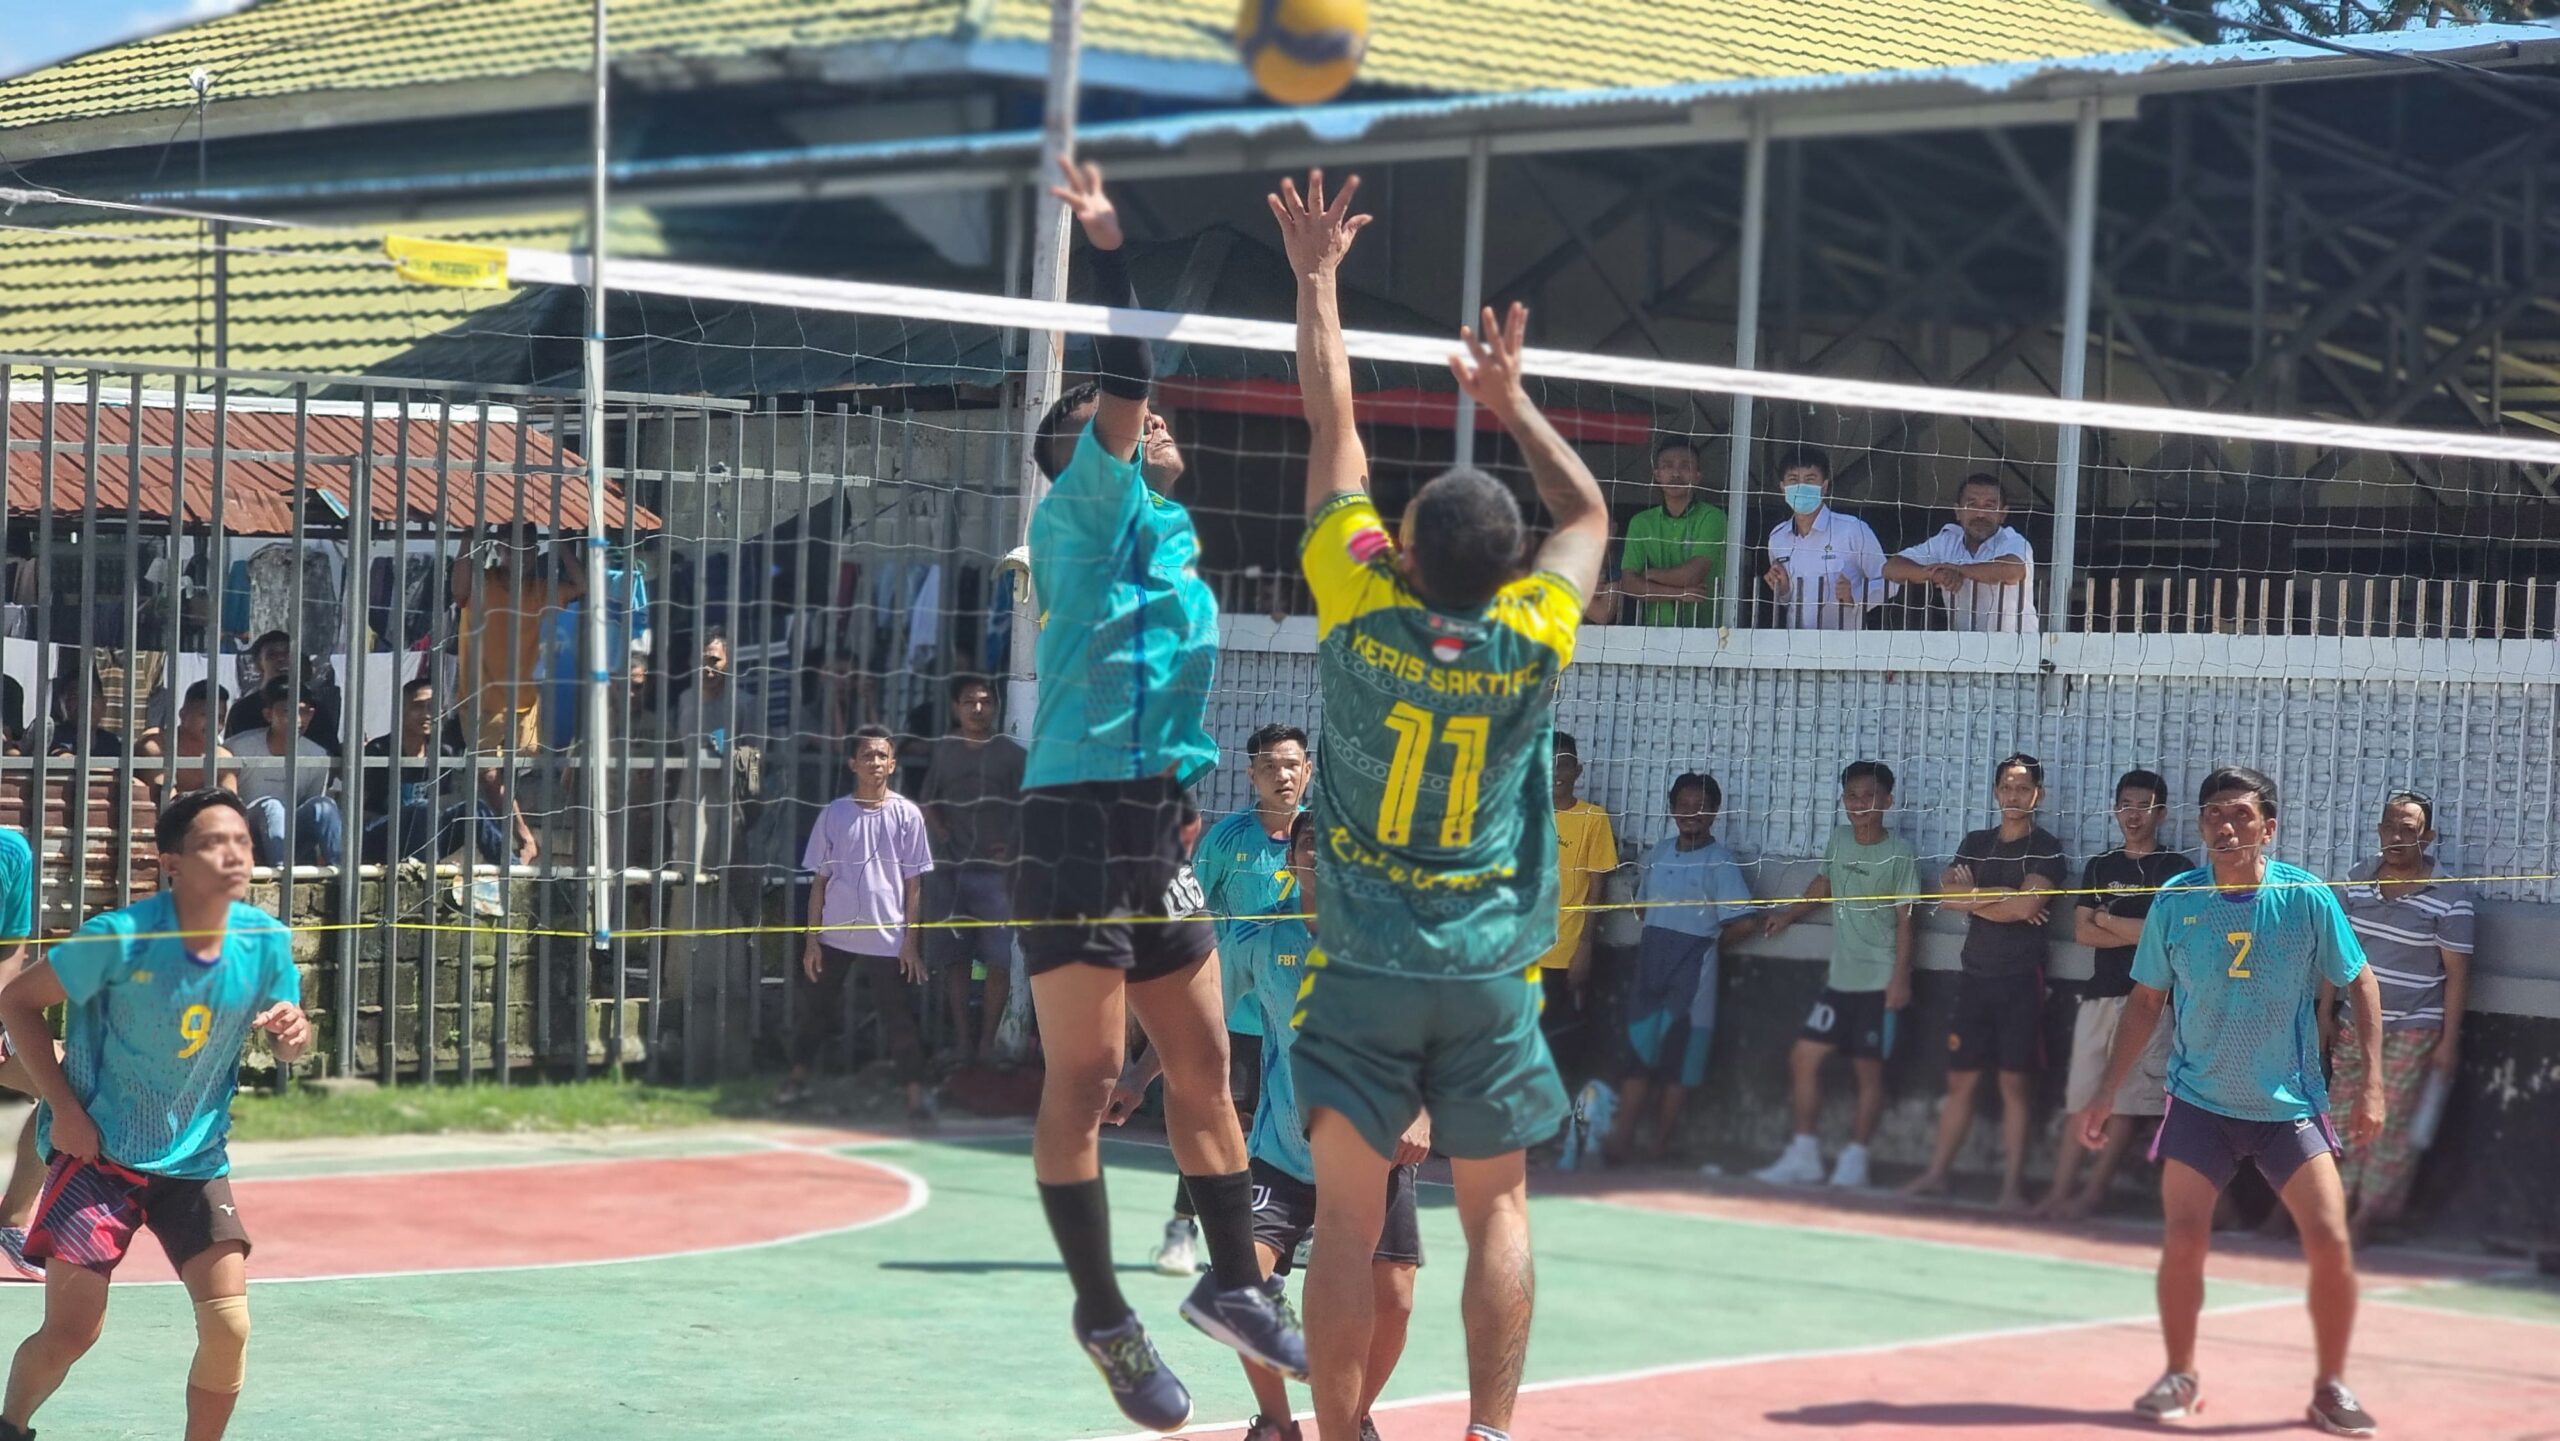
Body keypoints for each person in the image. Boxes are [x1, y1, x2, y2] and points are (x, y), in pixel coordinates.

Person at [1277, 167, 1610, 1441]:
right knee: (1498, 1212)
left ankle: (1341, 1431)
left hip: (1362, 959)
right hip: (1484, 965)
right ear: (1506, 566)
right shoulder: (1533, 630)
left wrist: (1318, 281)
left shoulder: (1358, 607)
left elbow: (1333, 431)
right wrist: (1511, 400)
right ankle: (1487, 1433)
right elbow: (1585, 510)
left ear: (1403, 553)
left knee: (1349, 1223)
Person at [1015, 156, 1301, 1433]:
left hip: (1155, 818)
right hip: (1074, 812)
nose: (1159, 428)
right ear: (1089, 443)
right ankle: (1102, 1315)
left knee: (1202, 1069)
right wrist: (1111, 248)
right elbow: (1128, 373)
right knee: (1084, 1078)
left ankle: (1234, 1284)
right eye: (1136, 422)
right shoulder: (1088, 505)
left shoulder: (1173, 541)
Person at [2074, 766, 2383, 1437]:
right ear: (2202, 824)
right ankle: (2180, 1371)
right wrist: (2105, 1091)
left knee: (2330, 1241)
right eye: (2214, 813)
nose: (2227, 824)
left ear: (2268, 827)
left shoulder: (2305, 897)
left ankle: (2332, 1386)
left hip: (2287, 1103)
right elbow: (2146, 1001)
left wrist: (2373, 1082)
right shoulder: (2178, 900)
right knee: (2183, 1238)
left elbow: (2360, 981)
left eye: (2242, 814)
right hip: (2200, 1100)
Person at [0, 788, 313, 1441]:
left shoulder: (265, 941)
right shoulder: (118, 939)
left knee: (229, 1323)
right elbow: (19, 1004)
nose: (232, 854)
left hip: (193, 1163)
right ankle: (11, 1424)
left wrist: (291, 1031)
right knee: (70, 1331)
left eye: (242, 841)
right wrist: (65, 1109)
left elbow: (289, 1034)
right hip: (96, 1158)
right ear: (172, 862)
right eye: (211, 842)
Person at [1111, 813, 1426, 1441]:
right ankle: (1277, 1423)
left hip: (1371, 1151)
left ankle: (1353, 1416)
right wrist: (1138, 1078)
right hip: (1283, 1148)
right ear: (1293, 860)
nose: (1324, 854)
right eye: (1311, 843)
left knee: (1393, 1301)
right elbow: (1202, 1018)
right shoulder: (1261, 935)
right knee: (1242, 1288)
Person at [1149, 722, 1309, 1278]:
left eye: (1291, 765)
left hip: (1299, 1020)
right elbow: (1181, 901)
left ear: (1308, 770)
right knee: (1221, 1116)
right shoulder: (1228, 839)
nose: (1281, 776)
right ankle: (1182, 1225)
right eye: (1269, 766)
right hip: (1237, 1006)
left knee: (1298, 1125)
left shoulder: (1326, 839)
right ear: (1251, 775)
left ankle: (1295, 1226)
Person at [1902, 752, 2065, 1210]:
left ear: (2038, 794)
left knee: (2015, 1086)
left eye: (2023, 787)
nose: (2014, 795)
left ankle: (2012, 1187)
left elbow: (2027, 909)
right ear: (1996, 792)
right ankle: (1936, 1174)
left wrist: (1981, 898)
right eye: (2007, 787)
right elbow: (1946, 900)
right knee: (1961, 1082)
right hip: (1973, 976)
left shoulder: (2046, 847)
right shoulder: (1976, 840)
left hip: (2020, 981)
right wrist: (2004, 901)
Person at [1754, 760, 1919, 1189]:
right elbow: (1822, 885)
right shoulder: (1839, 839)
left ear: (1887, 800)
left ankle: (1855, 1158)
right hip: (1840, 979)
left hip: (1879, 981)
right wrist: (1789, 914)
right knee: (1803, 1058)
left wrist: (1900, 980)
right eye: (1852, 796)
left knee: (1868, 1073)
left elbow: (1907, 921)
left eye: (1869, 796)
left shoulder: (1900, 853)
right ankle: (1805, 1153)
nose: (1859, 805)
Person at [2039, 768, 2190, 1220]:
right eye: (2126, 804)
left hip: (2150, 1001)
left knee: (2126, 1103)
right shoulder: (2100, 865)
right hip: (2099, 995)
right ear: (2115, 808)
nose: (2133, 814)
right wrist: (2125, 930)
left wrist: (2107, 920)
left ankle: (2092, 1195)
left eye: (2144, 806)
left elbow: (2164, 938)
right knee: (2080, 1098)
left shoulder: (2175, 871)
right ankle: (2060, 1191)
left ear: (2160, 813)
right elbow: (2081, 934)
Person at [2330, 789, 2472, 1244]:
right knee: (2340, 1116)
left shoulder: (2450, 899)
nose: (2396, 837)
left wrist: (2450, 1042)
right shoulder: (2356, 880)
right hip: (2354, 1023)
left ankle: (2368, 1216)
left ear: (2427, 838)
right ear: (2378, 831)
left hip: (2413, 1026)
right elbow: (2335, 955)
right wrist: (2323, 1015)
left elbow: (2457, 976)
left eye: (2407, 830)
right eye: (2389, 827)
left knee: (2390, 1123)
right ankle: (2333, 1206)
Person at [775, 726, 935, 1125]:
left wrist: (911, 943)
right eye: (868, 756)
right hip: (835, 933)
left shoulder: (908, 815)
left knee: (899, 1017)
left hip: (887, 935)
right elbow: (819, 882)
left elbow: (914, 884)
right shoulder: (835, 813)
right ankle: (796, 1081)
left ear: (893, 763)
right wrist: (811, 941)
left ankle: (915, 1097)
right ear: (853, 764)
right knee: (815, 1011)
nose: (875, 763)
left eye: (882, 756)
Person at [1604, 771, 1759, 1167]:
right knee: (1640, 1053)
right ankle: (1620, 1141)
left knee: (1679, 1062)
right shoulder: (1657, 854)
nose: (1692, 813)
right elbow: (1641, 907)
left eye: (1701, 807)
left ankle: (1660, 1146)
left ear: (1715, 813)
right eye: (1684, 806)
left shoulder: (1720, 862)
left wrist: (1704, 948)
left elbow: (1743, 922)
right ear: (1672, 809)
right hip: (1650, 971)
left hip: (1693, 981)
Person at [451, 524, 581, 868]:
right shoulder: (485, 582)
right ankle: (523, 836)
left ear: (535, 552)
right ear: (501, 550)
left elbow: (583, 587)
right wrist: (467, 537)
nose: (518, 555)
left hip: (525, 700)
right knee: (488, 772)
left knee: (512, 772)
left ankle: (512, 840)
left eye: (526, 548)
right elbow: (458, 590)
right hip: (480, 696)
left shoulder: (541, 590)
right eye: (511, 548)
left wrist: (564, 545)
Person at [919, 673, 1028, 1072]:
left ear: (995, 706)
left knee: (999, 959)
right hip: (951, 872)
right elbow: (928, 800)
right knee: (955, 958)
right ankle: (963, 1042)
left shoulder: (1011, 756)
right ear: (956, 708)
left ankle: (986, 1044)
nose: (978, 708)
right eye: (969, 701)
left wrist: (1014, 845)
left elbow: (1033, 804)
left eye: (985, 701)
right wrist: (942, 829)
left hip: (998, 875)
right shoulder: (946, 750)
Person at [1532, 732, 1618, 1079]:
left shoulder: (1592, 819)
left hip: (1562, 951)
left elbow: (1597, 888)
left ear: (1577, 770)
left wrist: (1585, 946)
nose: (1555, 772)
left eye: (1563, 763)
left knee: (1558, 1045)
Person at [360, 677, 508, 869]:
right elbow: (361, 812)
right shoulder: (378, 750)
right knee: (422, 809)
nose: (426, 714)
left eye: (432, 707)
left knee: (475, 809)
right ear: (401, 710)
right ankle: (423, 879)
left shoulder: (443, 752)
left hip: (429, 835)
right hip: (385, 836)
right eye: (418, 706)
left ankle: (512, 872)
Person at [0, 827, 55, 1282]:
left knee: (67, 1081)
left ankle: (13, 1221)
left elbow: (10, 948)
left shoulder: (11, 852)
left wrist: (3, 1019)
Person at [1881, 473, 2038, 632]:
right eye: (1972, 505)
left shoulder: (2013, 541)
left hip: (2015, 648)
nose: (1980, 514)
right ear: (1957, 512)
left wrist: (1959, 570)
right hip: (1963, 647)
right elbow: (1891, 568)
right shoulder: (1947, 541)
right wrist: (1937, 575)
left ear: (2003, 514)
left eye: (1989, 506)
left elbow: (2012, 571)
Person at [1761, 449, 1890, 631]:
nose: (1801, 486)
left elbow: (1890, 581)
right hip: (1795, 645)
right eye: (1793, 480)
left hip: (1844, 646)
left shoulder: (1852, 529)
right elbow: (1788, 599)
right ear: (1782, 487)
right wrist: (1782, 590)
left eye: (1810, 479)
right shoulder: (1778, 537)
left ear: (1824, 486)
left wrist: (1856, 595)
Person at [228, 677, 344, 869]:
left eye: (304, 712)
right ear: (268, 714)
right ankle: (282, 875)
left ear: (312, 715)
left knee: (324, 806)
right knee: (272, 806)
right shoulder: (239, 748)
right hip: (247, 830)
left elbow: (312, 805)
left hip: (291, 835)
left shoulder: (317, 755)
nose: (297, 719)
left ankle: (341, 873)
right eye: (287, 711)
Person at [1613, 436, 1727, 627]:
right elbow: (1629, 584)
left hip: (1706, 631)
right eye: (1667, 466)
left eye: (1685, 466)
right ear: (1657, 475)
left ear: (1698, 475)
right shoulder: (1641, 522)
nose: (1676, 473)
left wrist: (1650, 574)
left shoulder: (1713, 517)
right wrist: (1680, 594)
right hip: (1653, 630)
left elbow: (1692, 575)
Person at [137, 681, 238, 796]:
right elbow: (165, 799)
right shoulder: (157, 746)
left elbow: (229, 802)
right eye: (205, 715)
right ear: (183, 715)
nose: (214, 724)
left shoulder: (222, 758)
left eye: (220, 718)